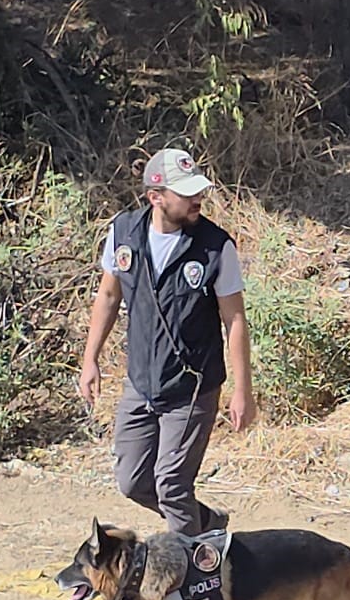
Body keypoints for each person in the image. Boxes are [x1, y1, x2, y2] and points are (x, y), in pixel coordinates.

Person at [77, 148, 255, 537]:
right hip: (140, 381)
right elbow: (108, 297)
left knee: (173, 486)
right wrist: (90, 360)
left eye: (198, 191)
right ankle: (207, 526)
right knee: (133, 481)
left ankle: (194, 579)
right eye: (186, 193)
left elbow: (235, 319)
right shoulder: (123, 233)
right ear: (155, 197)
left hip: (192, 386)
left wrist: (243, 391)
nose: (197, 200)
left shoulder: (214, 246)